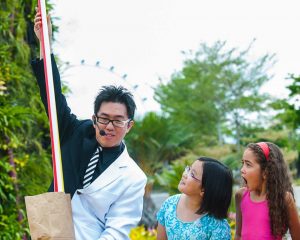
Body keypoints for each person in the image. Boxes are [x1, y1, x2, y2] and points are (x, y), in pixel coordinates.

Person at [32, 10, 147, 239]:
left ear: (129, 125)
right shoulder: (74, 131)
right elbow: (53, 96)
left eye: (118, 121)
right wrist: (45, 45)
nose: (109, 126)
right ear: (94, 118)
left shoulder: (134, 178)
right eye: (103, 118)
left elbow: (117, 230)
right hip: (47, 230)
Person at [156, 157, 233, 240]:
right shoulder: (169, 204)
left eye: (192, 174)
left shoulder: (217, 226)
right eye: (189, 169)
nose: (185, 174)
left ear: (204, 189)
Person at [235, 142, 300, 240]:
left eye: (248, 164)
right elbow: (238, 235)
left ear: (266, 172)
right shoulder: (240, 196)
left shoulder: (284, 199)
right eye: (242, 163)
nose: (242, 169)